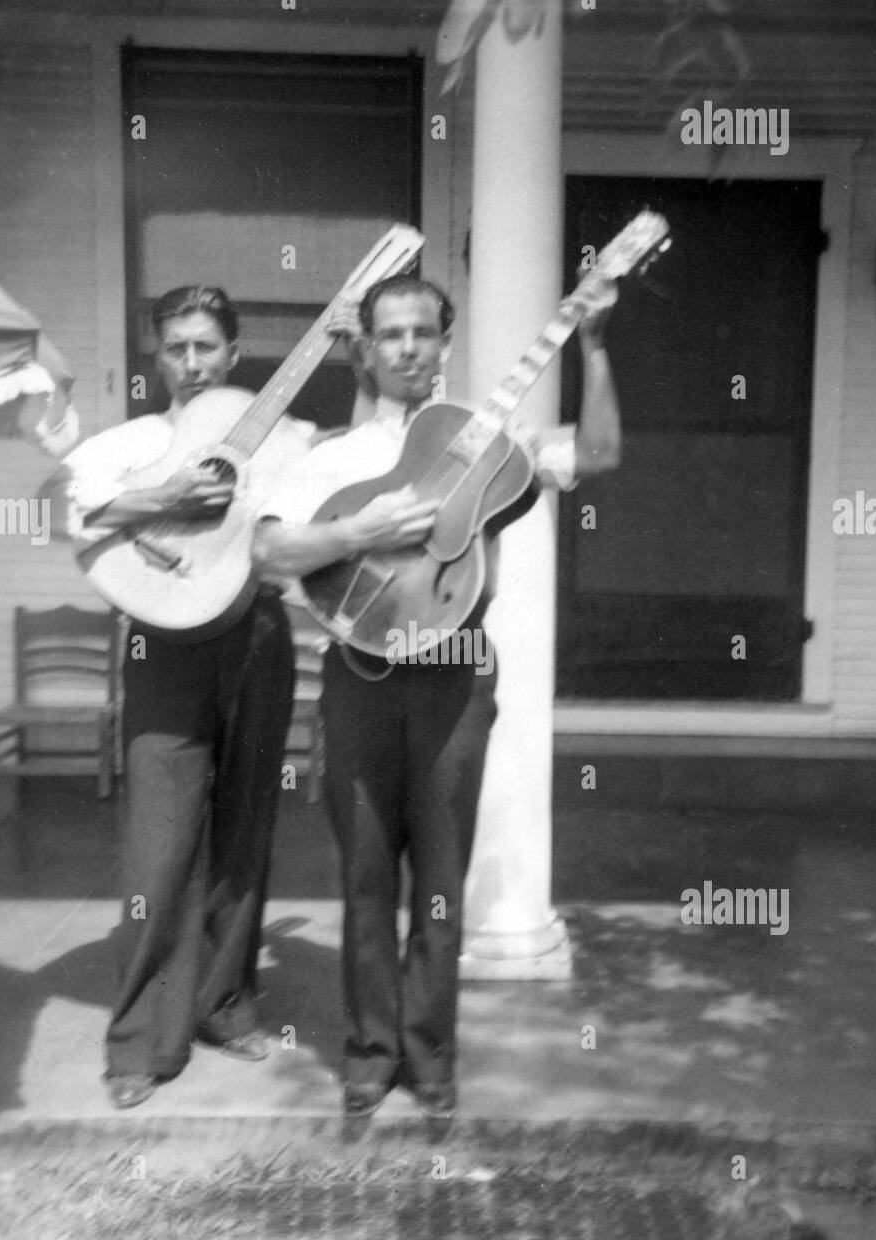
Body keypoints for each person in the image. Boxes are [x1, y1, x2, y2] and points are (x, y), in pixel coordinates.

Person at [253, 271, 620, 1118]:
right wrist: (358, 532)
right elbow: (271, 556)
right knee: (366, 876)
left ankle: (432, 1056)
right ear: (366, 350)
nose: (409, 347)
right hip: (358, 684)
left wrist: (595, 343)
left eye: (423, 332)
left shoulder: (488, 448)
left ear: (445, 346)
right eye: (391, 334)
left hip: (453, 678)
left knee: (442, 880)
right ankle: (370, 1054)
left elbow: (596, 454)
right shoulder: (333, 459)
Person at [56, 285, 413, 1109]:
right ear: (155, 357)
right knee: (160, 841)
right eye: (175, 348)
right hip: (162, 647)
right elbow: (58, 509)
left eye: (205, 348)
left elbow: (357, 466)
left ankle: (224, 1001)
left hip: (256, 636)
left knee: (247, 826)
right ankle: (143, 1039)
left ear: (234, 351)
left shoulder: (280, 435)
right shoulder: (136, 442)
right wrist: (160, 498)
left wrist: (356, 351)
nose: (190, 364)